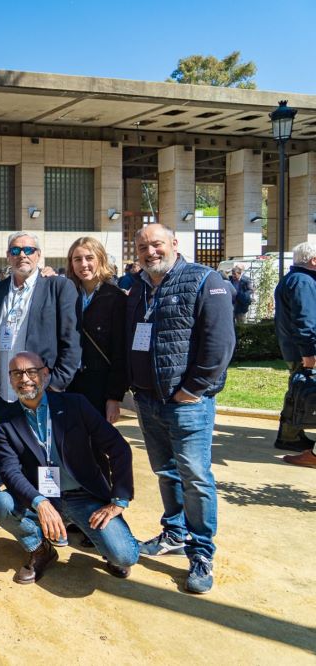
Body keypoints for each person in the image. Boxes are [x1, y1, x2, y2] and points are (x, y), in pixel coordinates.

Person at [126, 223, 234, 595]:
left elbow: (219, 344)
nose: (150, 252)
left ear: (174, 243)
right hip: (148, 400)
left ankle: (201, 552)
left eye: (156, 244)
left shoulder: (204, 280)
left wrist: (194, 389)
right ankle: (174, 533)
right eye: (143, 247)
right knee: (165, 471)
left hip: (187, 403)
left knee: (195, 476)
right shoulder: (138, 288)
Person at [0, 352, 139, 584]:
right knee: (1, 503)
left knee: (124, 555)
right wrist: (40, 502)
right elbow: (10, 470)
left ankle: (104, 546)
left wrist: (118, 500)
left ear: (45, 374)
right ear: (10, 380)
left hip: (84, 496)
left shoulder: (75, 404)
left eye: (32, 371)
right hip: (41, 497)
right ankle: (41, 550)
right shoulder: (5, 421)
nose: (25, 378)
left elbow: (118, 447)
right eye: (17, 373)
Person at [0, 232, 80, 420]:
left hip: (42, 393)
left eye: (29, 250)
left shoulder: (57, 287)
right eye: (16, 250)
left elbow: (72, 342)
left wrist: (55, 385)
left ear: (38, 255)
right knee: (8, 447)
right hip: (5, 395)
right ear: (8, 255)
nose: (22, 255)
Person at [65, 237, 127, 422]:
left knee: (96, 446)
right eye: (77, 259)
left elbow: (120, 352)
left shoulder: (116, 298)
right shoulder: (66, 294)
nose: (84, 264)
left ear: (100, 259)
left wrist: (114, 397)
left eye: (89, 258)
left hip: (100, 386)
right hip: (68, 384)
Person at [274, 243, 316, 464]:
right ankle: (289, 437)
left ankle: (290, 435)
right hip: (301, 350)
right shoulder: (303, 281)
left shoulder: (295, 279)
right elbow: (305, 320)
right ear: (313, 261)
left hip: (295, 348)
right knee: (300, 392)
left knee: (297, 390)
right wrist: (309, 352)